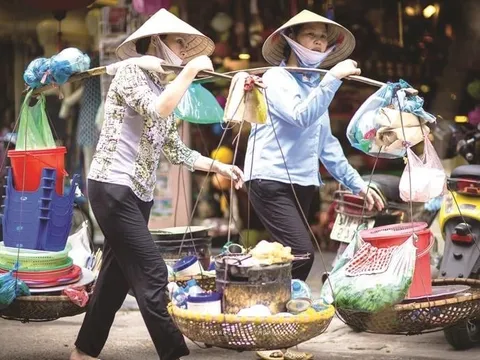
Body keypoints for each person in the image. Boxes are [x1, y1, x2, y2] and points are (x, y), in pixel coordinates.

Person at [70, 9, 244, 360]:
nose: (183, 51)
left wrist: (218, 167)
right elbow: (159, 109)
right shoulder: (132, 73)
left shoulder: (162, 83)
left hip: (137, 195)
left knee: (114, 281)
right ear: (157, 41)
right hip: (113, 188)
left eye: (186, 47)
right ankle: (174, 353)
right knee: (152, 272)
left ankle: (83, 352)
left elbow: (174, 148)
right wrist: (193, 70)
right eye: (179, 43)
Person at [243, 10, 384, 360]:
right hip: (269, 178)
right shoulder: (276, 78)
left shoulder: (313, 85)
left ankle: (269, 329)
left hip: (302, 183)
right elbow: (300, 115)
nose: (320, 42)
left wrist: (357, 185)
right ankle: (262, 317)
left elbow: (327, 146)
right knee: (301, 252)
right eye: (311, 36)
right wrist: (334, 78)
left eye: (324, 37)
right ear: (290, 40)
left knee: (283, 258)